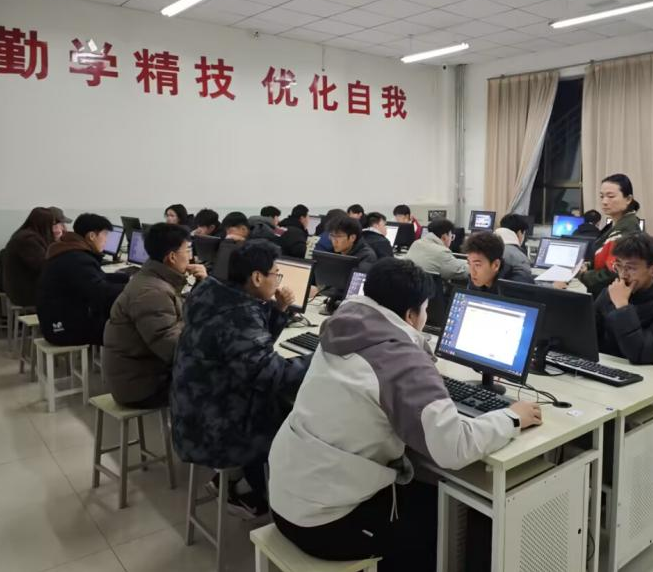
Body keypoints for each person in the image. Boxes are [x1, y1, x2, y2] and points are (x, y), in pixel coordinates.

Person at [268, 258, 541, 571]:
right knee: (451, 519)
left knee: (425, 494)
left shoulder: (343, 328)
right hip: (326, 524)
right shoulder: (400, 358)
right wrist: (512, 418)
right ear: (412, 315)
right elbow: (454, 448)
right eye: (425, 310)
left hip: (287, 496)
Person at [171, 240, 311, 518]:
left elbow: (248, 349)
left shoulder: (213, 293)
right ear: (257, 277)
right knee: (297, 421)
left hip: (194, 413)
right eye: (276, 274)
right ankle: (257, 493)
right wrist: (321, 357)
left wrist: (278, 310)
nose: (278, 280)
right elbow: (273, 375)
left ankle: (236, 480)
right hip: (215, 431)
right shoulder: (238, 315)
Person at [103, 224, 207, 408]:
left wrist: (201, 284)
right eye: (188, 250)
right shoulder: (152, 292)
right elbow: (173, 350)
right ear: (172, 257)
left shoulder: (152, 279)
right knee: (221, 382)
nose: (191, 256)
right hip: (140, 386)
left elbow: (179, 318)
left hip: (140, 373)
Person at [594, 233, 653, 366]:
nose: (623, 275)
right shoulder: (611, 293)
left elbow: (641, 354)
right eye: (618, 266)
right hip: (615, 366)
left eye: (630, 268)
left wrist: (622, 307)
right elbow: (588, 336)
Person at [37, 214, 129, 346]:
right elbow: (101, 292)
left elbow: (99, 278)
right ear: (92, 236)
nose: (106, 240)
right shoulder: (77, 258)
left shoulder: (70, 250)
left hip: (58, 321)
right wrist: (133, 288)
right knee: (131, 328)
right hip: (65, 329)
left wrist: (128, 278)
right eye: (105, 235)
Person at [578, 174, 643, 297]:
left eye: (611, 196)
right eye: (602, 196)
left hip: (611, 297)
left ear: (628, 199)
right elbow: (602, 256)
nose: (604, 201)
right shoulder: (615, 224)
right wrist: (588, 265)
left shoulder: (627, 229)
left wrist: (584, 275)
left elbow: (614, 273)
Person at [3, 207, 55, 309]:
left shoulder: (25, 235)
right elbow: (43, 265)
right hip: (25, 293)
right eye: (52, 224)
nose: (53, 228)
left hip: (22, 289)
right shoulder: (27, 240)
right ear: (44, 224)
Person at [463, 231, 534, 293]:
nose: (472, 272)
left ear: (496, 265)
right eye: (469, 264)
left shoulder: (518, 285)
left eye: (477, 265)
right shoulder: (475, 281)